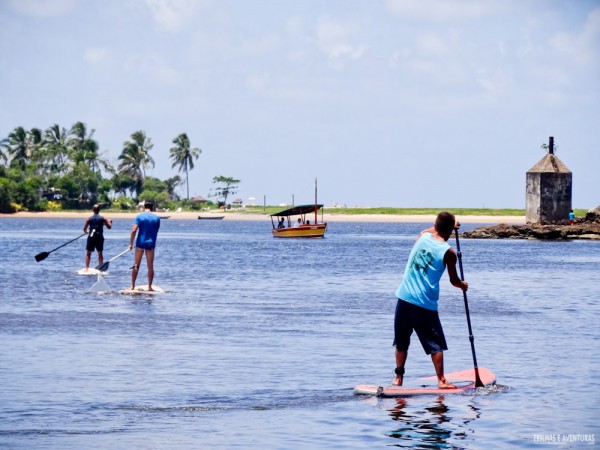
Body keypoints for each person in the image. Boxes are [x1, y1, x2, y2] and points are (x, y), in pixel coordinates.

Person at [392, 211, 468, 389]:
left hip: (403, 298)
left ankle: (398, 378)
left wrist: (448, 226)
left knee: (402, 342)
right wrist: (462, 285)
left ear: (435, 225)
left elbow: (432, 229)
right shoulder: (449, 252)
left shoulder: (422, 236)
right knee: (436, 345)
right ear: (449, 230)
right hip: (424, 303)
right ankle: (441, 381)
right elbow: (453, 281)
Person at [128, 201, 161, 291]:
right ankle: (149, 287)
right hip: (151, 243)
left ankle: (132, 286)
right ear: (152, 207)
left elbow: (134, 230)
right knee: (150, 266)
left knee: (136, 265)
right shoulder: (157, 218)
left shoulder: (139, 216)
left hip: (140, 243)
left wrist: (131, 243)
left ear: (144, 207)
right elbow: (156, 231)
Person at [83, 204, 112, 272]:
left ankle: (87, 268)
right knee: (100, 252)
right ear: (99, 210)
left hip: (91, 236)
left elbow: (84, 229)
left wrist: (87, 232)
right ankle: (100, 268)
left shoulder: (89, 219)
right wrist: (110, 222)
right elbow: (109, 227)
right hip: (99, 237)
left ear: (93, 210)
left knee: (88, 253)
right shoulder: (103, 218)